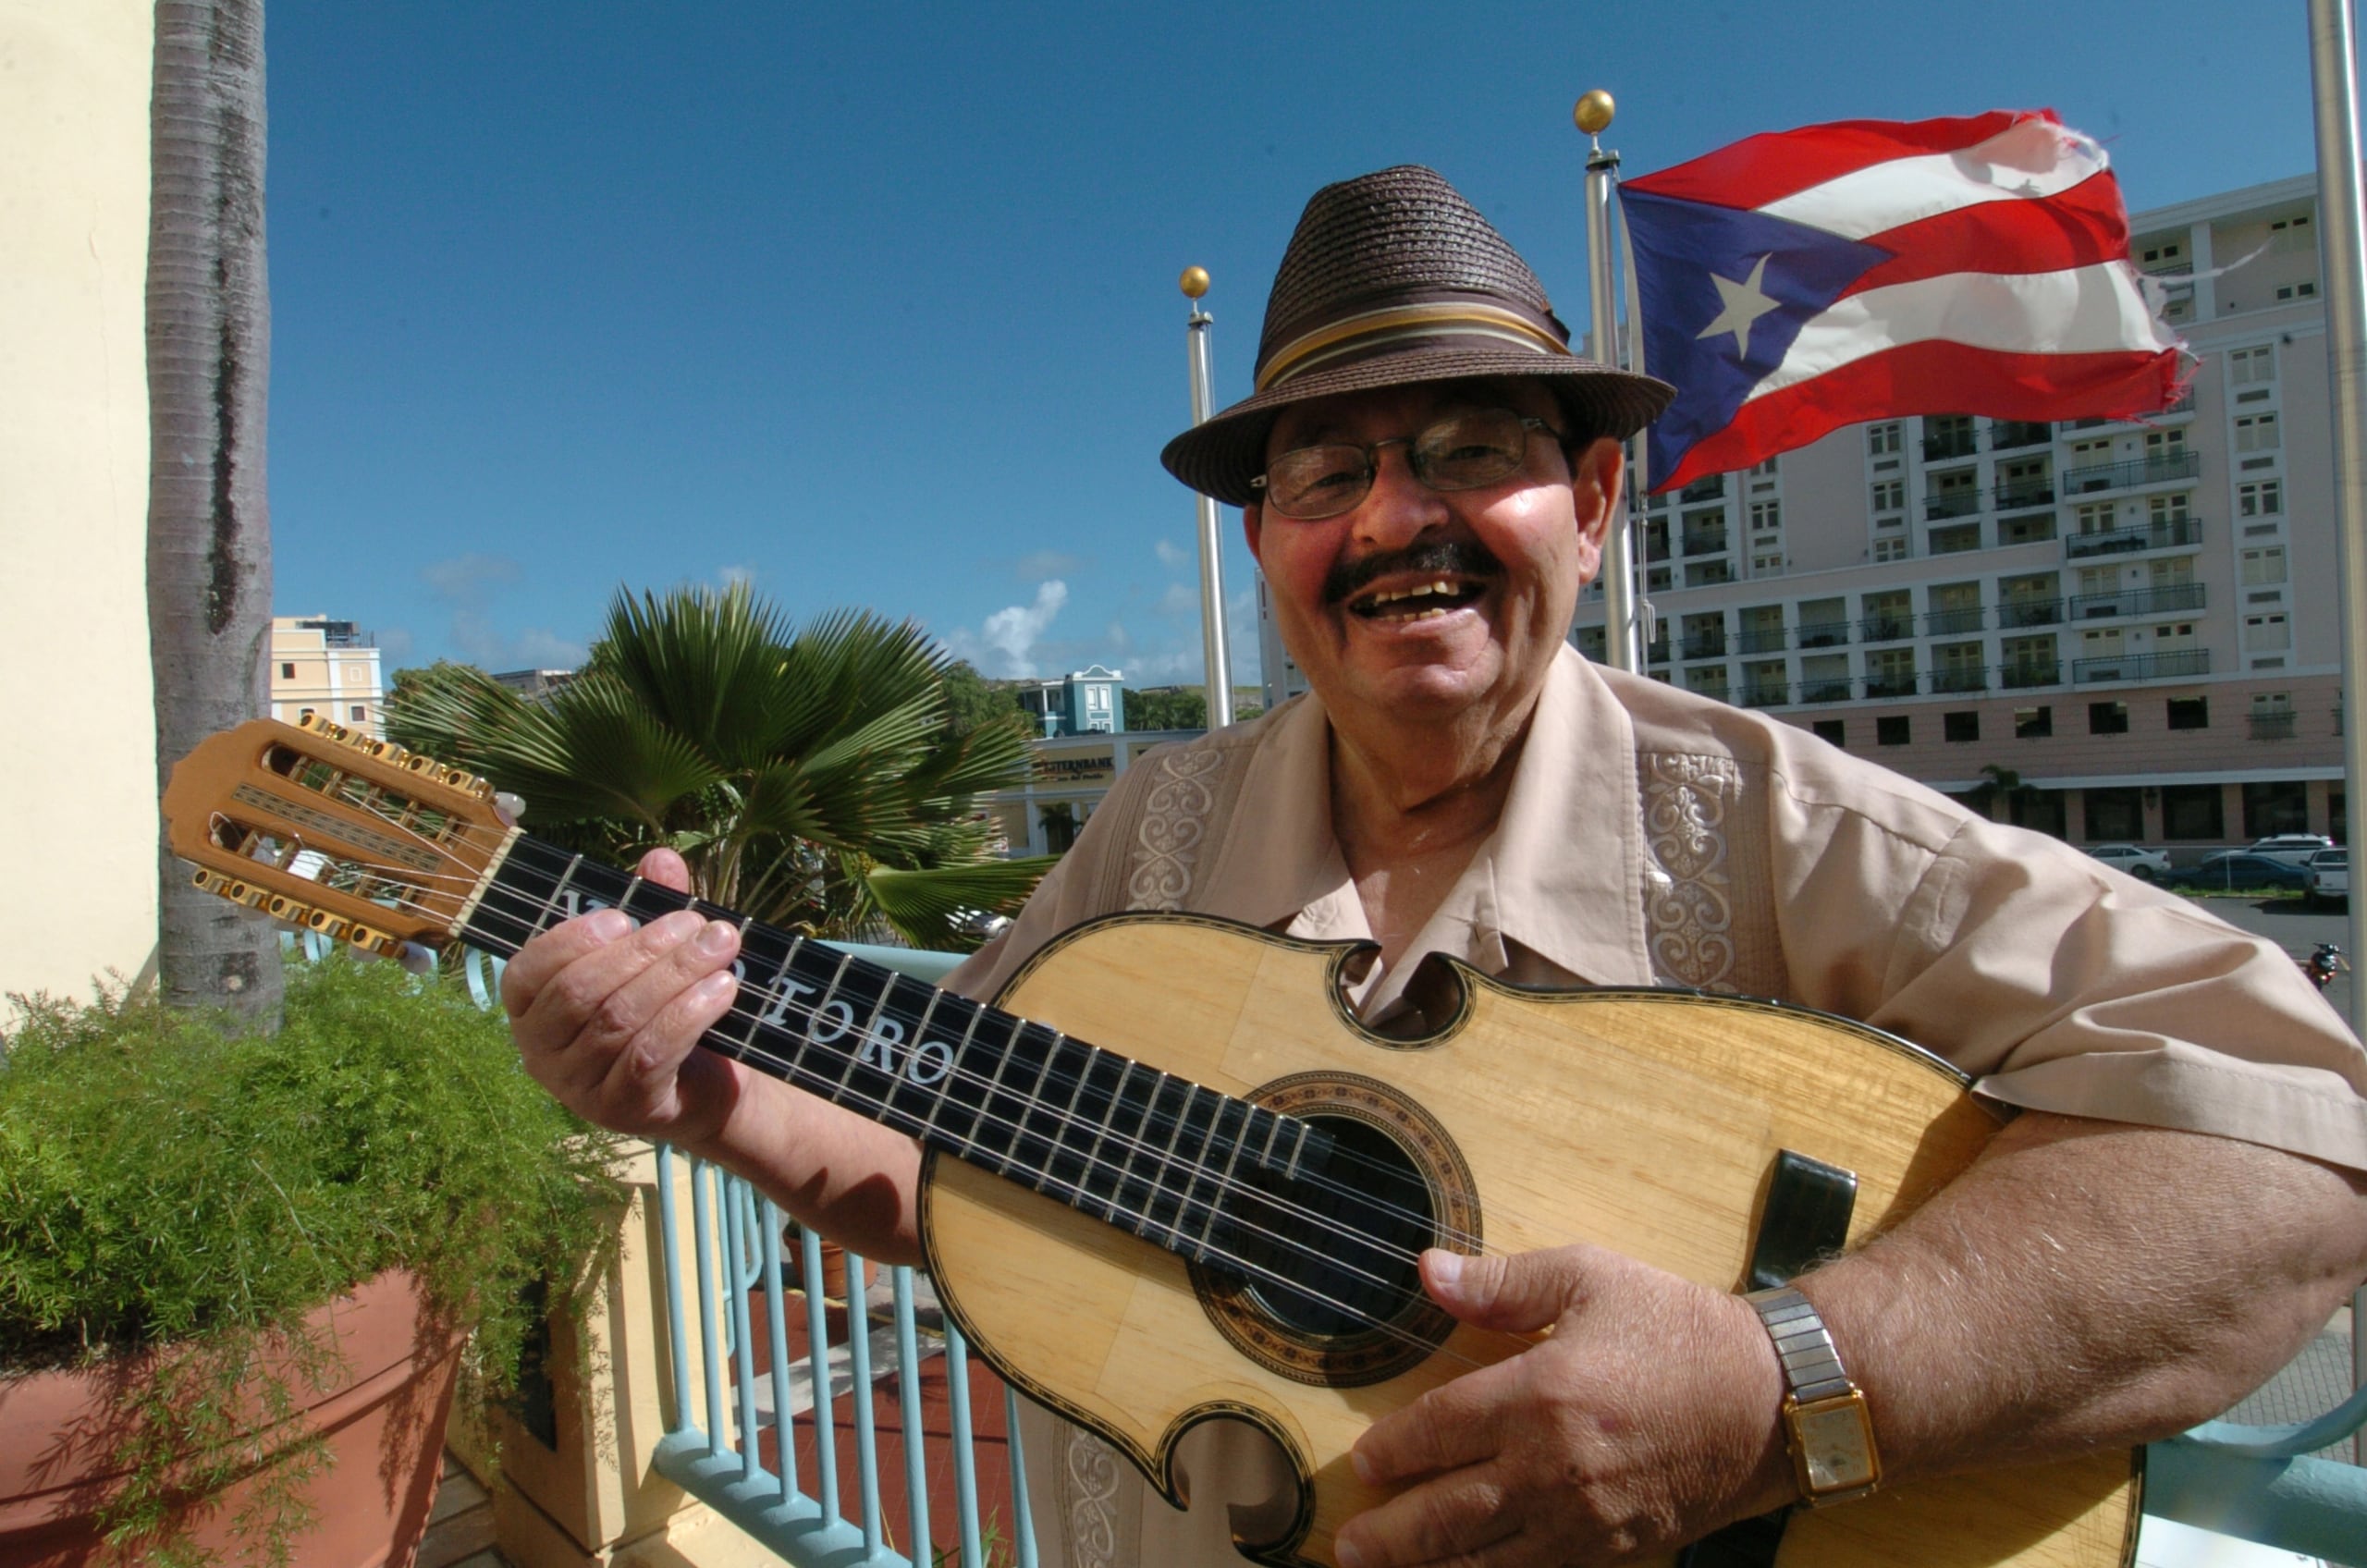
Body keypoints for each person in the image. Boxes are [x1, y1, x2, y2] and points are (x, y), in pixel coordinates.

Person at [501, 166, 2367, 1568]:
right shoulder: (1150, 830)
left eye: (1470, 450)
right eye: (1327, 473)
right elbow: (948, 1159)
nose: (1396, 517)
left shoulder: (1773, 827)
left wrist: (1771, 1378)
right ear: (1264, 539)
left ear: (1592, 499)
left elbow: (2290, 1139)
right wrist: (696, 1080)